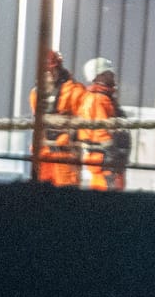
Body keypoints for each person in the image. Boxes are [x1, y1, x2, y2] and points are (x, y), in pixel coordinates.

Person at [28, 50, 86, 187]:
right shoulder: (36, 93)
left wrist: (66, 138)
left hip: (65, 155)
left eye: (50, 70)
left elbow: (83, 123)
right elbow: (38, 120)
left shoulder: (75, 91)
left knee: (66, 194)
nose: (48, 74)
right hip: (43, 154)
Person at [74, 57, 127, 191]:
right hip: (106, 163)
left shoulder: (100, 98)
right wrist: (113, 156)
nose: (113, 75)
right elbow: (100, 132)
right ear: (98, 76)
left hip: (105, 161)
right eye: (108, 73)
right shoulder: (98, 99)